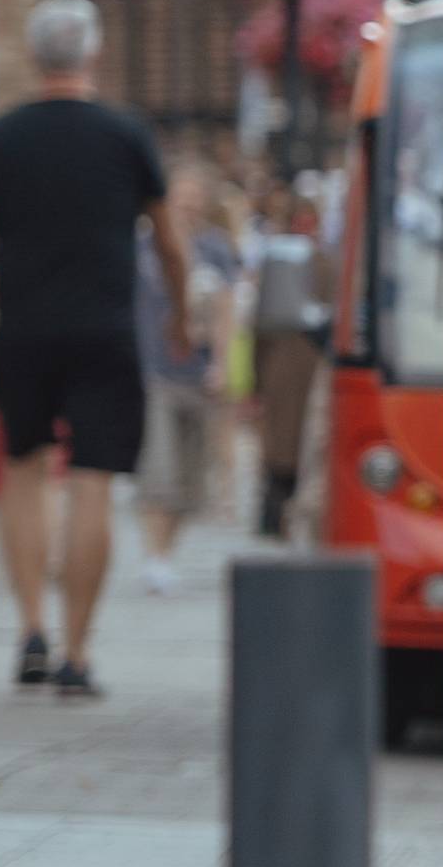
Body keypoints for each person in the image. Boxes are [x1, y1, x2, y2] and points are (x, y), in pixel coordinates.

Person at [0, 0, 191, 700]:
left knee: (23, 473)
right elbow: (171, 241)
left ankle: (30, 629)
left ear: (33, 57)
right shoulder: (126, 136)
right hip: (105, 330)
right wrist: (179, 316)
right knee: (92, 482)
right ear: (94, 54)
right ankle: (77, 653)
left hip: (23, 329)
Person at [134, 161, 242, 593]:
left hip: (198, 375)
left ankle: (165, 553)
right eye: (181, 198)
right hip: (154, 371)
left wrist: (221, 361)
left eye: (196, 199)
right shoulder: (142, 246)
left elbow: (226, 309)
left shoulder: (216, 248)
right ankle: (154, 557)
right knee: (159, 470)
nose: (189, 207)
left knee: (190, 479)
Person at [245, 180, 330, 539]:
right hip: (282, 365)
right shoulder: (275, 261)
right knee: (279, 447)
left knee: (306, 442)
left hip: (315, 365)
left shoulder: (329, 261)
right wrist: (255, 381)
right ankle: (274, 515)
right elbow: (260, 326)